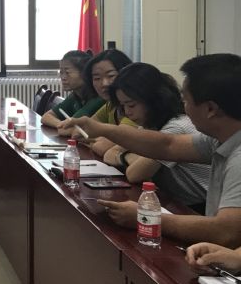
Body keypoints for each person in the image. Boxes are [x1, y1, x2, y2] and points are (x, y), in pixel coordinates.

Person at [63, 53, 241, 248]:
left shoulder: (238, 157)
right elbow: (168, 145)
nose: (184, 107)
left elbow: (226, 232)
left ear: (211, 109)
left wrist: (145, 216)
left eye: (186, 100)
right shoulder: (218, 139)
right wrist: (102, 129)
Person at [99, 62, 209, 212]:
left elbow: (134, 174)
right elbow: (109, 154)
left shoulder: (176, 127)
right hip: (177, 203)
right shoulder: (150, 125)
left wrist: (124, 156)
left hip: (201, 210)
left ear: (153, 100)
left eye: (131, 105)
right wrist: (132, 157)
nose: (127, 112)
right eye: (122, 106)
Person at [72, 48, 133, 152]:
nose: (104, 84)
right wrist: (101, 140)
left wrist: (98, 140)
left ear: (126, 74)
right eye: (97, 78)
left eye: (111, 76)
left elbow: (102, 147)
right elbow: (78, 133)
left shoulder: (133, 106)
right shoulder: (110, 105)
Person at [40, 50, 102, 128]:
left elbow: (73, 125)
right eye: (61, 72)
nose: (63, 78)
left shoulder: (98, 97)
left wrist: (64, 126)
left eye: (67, 73)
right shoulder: (75, 95)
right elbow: (46, 117)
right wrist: (61, 125)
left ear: (85, 74)